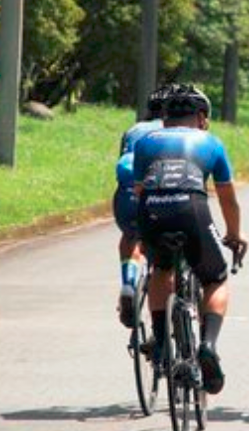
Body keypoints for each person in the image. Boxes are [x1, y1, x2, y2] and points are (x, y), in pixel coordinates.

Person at [132, 84, 247, 395]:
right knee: (215, 278)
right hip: (191, 208)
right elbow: (227, 199)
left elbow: (139, 189)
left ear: (165, 119)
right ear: (201, 118)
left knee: (161, 269)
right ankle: (207, 346)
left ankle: (159, 344)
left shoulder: (145, 142)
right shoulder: (211, 142)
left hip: (152, 209)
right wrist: (234, 235)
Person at [114, 85, 172, 327]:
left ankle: (129, 282)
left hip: (128, 193)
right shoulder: (175, 131)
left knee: (132, 237)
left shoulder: (133, 130)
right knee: (170, 252)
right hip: (165, 194)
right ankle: (169, 318)